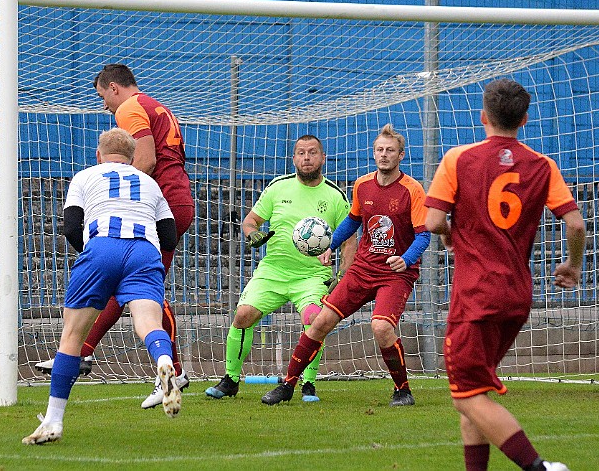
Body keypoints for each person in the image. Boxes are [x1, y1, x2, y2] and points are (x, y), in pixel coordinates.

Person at [424, 79, 585, 471]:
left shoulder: (458, 159)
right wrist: (573, 266)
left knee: (464, 396)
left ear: (482, 117)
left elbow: (432, 222)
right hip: (516, 296)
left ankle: (538, 467)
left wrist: (450, 234)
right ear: (525, 119)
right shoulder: (542, 165)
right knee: (474, 394)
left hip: (476, 295)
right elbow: (576, 225)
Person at [35, 63, 194, 409]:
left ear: (114, 88)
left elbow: (147, 159)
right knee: (130, 287)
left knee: (148, 293)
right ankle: (86, 353)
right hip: (172, 198)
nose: (105, 106)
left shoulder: (130, 107)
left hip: (160, 203)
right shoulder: (154, 105)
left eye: (103, 97)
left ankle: (174, 372)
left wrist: (120, 201)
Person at [23, 128, 181, 445]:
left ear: (99, 154)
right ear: (134, 158)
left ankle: (53, 421)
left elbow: (70, 227)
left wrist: (96, 258)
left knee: (72, 334)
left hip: (102, 247)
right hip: (144, 251)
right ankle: (165, 363)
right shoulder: (149, 183)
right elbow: (169, 235)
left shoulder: (85, 177)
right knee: (149, 322)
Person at [261, 124, 430, 406]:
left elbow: (424, 234)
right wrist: (330, 245)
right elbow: (353, 220)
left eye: (390, 150)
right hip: (363, 268)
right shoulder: (362, 185)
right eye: (379, 150)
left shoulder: (412, 190)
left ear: (401, 155)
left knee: (381, 327)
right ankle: (288, 385)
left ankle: (403, 390)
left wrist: (406, 259)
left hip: (395, 273)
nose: (384, 154)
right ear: (374, 153)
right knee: (320, 322)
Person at [205, 135, 357, 402]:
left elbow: (350, 240)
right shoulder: (278, 187)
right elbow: (250, 222)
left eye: (312, 153)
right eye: (300, 153)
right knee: (243, 315)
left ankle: (307, 383)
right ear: (294, 158)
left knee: (313, 319)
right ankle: (230, 380)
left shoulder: (335, 196)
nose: (306, 157)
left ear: (323, 158)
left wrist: (344, 274)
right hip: (273, 271)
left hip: (311, 276)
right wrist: (252, 234)